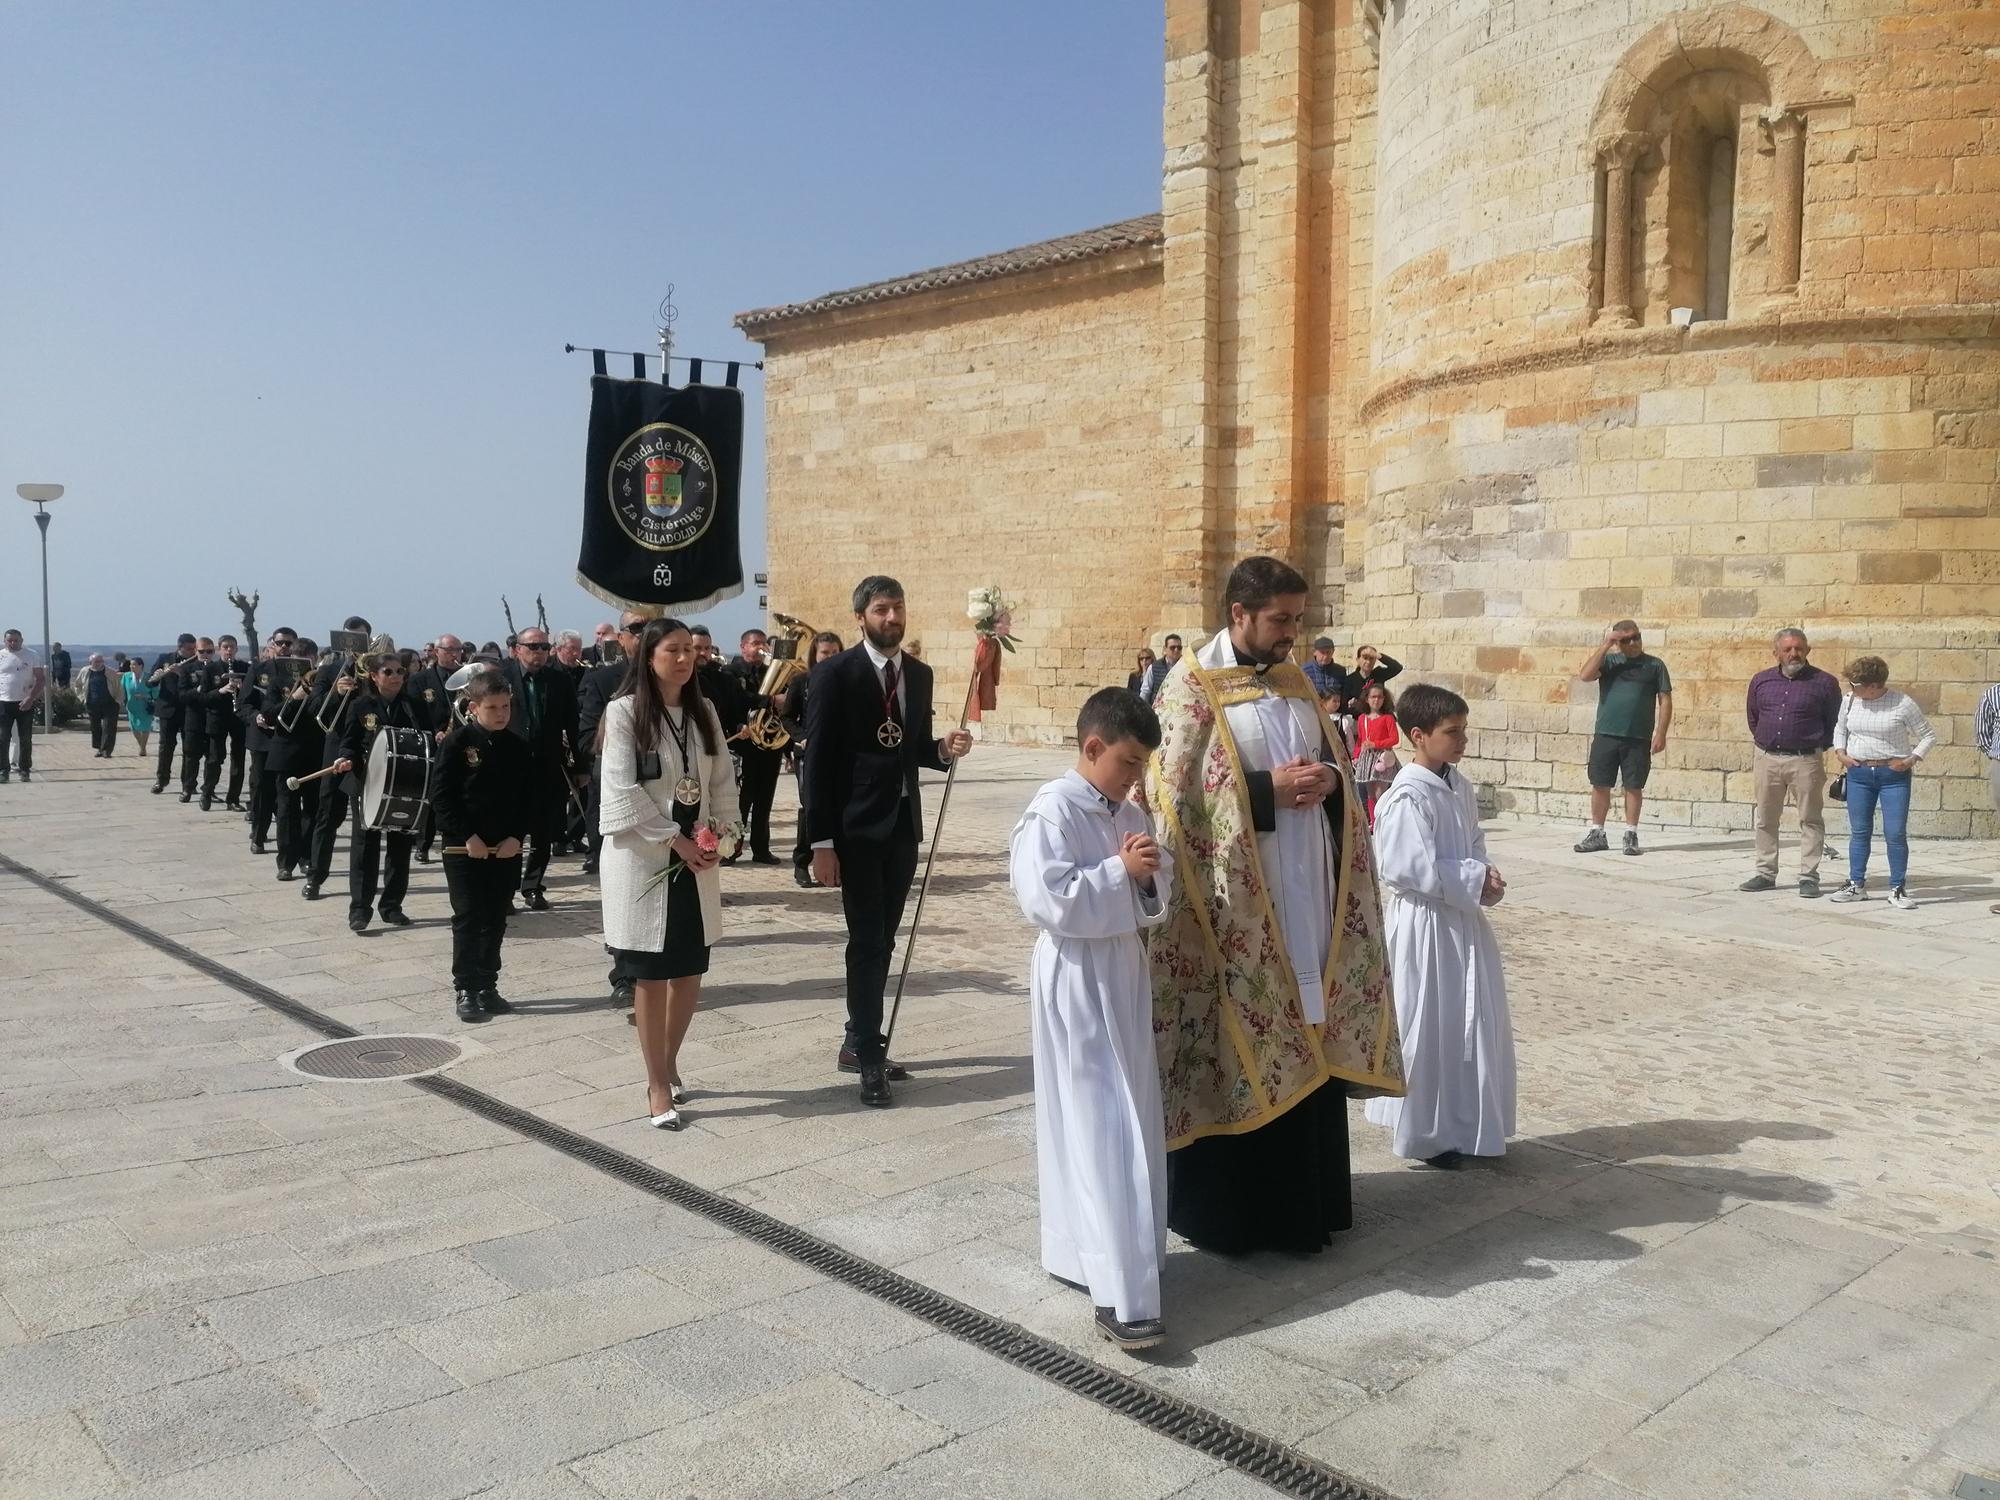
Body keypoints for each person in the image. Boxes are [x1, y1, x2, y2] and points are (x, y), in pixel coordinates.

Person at [1147, 556, 1401, 1255]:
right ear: (1239, 615)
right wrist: (1263, 793)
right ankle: (1236, 1216)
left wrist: (1325, 779)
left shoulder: (1294, 685)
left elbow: (1337, 774)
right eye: (1280, 620)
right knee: (1246, 1033)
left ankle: (1307, 1208)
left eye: (1297, 618)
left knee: (1307, 1020)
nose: (1293, 633)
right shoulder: (1190, 689)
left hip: (1309, 894)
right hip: (1236, 910)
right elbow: (1172, 800)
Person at [1009, 687, 1174, 1351]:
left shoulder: (1126, 807)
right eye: (1128, 762)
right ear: (1093, 747)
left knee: (1129, 1112)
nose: (1135, 777)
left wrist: (1144, 876)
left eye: (1142, 766)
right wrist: (1118, 871)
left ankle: (1110, 1253)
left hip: (1122, 971)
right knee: (1099, 1123)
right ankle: (1117, 1290)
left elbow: (1152, 896)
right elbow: (1046, 899)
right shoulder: (1053, 809)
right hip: (1077, 976)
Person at [804, 576, 975, 1108]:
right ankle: (869, 1055)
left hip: (902, 825)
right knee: (868, 940)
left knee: (885, 936)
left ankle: (859, 1039)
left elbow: (909, 748)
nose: (892, 618)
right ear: (861, 617)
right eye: (881, 609)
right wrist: (821, 842)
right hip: (854, 831)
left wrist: (943, 748)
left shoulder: (917, 675)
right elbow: (819, 762)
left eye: (898, 608)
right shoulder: (835, 674)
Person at [1363, 684, 1515, 1167]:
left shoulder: (1459, 785)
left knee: (1469, 1023)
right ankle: (1426, 1134)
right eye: (1452, 732)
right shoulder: (1406, 796)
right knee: (1429, 1024)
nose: (1462, 740)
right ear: (1418, 735)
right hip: (1425, 928)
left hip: (1462, 922)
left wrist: (1484, 874)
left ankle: (1467, 1123)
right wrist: (1473, 876)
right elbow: (1409, 869)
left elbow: (1472, 840)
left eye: (1464, 730)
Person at [599, 617, 737, 1129]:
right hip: (647, 856)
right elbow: (621, 787)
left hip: (695, 856)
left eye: (688, 650)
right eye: (671, 650)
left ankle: (670, 1057)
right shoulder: (625, 712)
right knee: (651, 973)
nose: (683, 659)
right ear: (648, 655)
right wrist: (673, 839)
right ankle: (656, 1083)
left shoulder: (704, 712)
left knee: (689, 968)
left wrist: (721, 835)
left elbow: (722, 779)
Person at [432, 669, 531, 1022]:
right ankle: (466, 987)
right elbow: (442, 798)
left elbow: (526, 800)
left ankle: (488, 984)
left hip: (505, 847)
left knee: (496, 915)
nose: (502, 713)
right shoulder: (457, 743)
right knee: (469, 915)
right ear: (474, 707)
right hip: (465, 848)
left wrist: (516, 837)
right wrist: (466, 836)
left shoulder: (518, 746)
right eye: (493, 707)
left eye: (506, 706)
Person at [578, 610, 650, 1008]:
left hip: (665, 798)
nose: (642, 635)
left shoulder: (675, 680)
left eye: (648, 628)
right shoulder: (603, 680)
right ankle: (624, 974)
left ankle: (656, 971)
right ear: (620, 638)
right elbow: (588, 736)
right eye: (635, 629)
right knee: (624, 891)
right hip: (619, 796)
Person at [1741, 628, 1843, 899]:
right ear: (1776, 653)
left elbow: (1835, 721)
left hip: (1806, 760)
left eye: (1798, 648)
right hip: (1767, 758)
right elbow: (1754, 717)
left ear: (1807, 650)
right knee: (1765, 818)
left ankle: (1808, 876)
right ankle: (1765, 873)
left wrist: (1816, 745)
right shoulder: (1761, 681)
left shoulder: (1825, 683)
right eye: (1787, 649)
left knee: (1810, 818)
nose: (1793, 654)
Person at [1830, 656, 1934, 911]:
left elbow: (1928, 736)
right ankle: (1856, 884)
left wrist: (1910, 760)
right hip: (1859, 774)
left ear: (1874, 684)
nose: (1852, 688)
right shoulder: (1850, 700)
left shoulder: (1902, 703)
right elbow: (1840, 729)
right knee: (1860, 831)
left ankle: (1897, 887)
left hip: (1893, 776)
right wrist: (1841, 752)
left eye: (1856, 684)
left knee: (1895, 833)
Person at [330, 652, 424, 933]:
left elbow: (427, 739)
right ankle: (360, 909)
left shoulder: (413, 706)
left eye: (400, 671)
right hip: (367, 783)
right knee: (364, 847)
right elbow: (349, 741)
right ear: (374, 675)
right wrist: (345, 758)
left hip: (404, 783)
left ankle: (392, 905)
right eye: (388, 671)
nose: (396, 676)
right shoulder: (361, 705)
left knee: (400, 847)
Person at [1574, 620, 1672, 856]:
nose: (1634, 642)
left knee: (1634, 785)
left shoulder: (1655, 665)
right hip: (1607, 733)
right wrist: (1606, 645)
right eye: (1626, 639)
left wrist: (1661, 733)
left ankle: (1631, 833)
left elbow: (1665, 700)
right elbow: (1585, 675)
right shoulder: (1610, 662)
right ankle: (1597, 833)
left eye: (1636, 637)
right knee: (1600, 783)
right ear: (1619, 642)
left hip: (1638, 736)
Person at [499, 626, 581, 910]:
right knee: (510, 830)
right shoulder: (501, 677)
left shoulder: (560, 680)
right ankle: (505, 890)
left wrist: (579, 766)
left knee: (543, 832)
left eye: (544, 647)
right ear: (517, 648)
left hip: (548, 765)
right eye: (533, 647)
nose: (539, 652)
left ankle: (533, 886)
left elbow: (573, 725)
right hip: (509, 766)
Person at [302, 617, 373, 900]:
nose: (354, 645)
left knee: (365, 820)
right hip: (336, 746)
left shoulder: (375, 670)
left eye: (360, 638)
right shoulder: (329, 669)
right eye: (349, 639)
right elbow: (314, 709)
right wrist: (337, 693)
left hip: (366, 749)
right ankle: (315, 877)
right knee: (327, 815)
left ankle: (363, 883)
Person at [780, 630, 844, 889]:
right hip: (809, 754)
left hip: (840, 754)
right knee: (811, 806)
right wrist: (803, 737)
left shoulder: (849, 679)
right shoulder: (801, 681)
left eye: (834, 652)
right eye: (825, 652)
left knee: (839, 806)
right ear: (815, 655)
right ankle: (801, 862)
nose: (829, 657)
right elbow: (787, 717)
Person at [726, 627, 784, 865]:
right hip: (743, 745)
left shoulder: (772, 672)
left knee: (764, 801)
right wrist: (769, 700)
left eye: (763, 643)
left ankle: (761, 849)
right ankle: (731, 849)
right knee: (740, 801)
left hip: (769, 747)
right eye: (755, 643)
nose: (761, 647)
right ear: (743, 647)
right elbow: (736, 700)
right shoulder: (730, 672)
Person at [240, 628, 299, 857]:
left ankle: (290, 843)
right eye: (280, 643)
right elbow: (244, 703)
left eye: (289, 643)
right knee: (261, 790)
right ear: (272, 644)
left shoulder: (301, 672)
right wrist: (256, 717)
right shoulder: (259, 669)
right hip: (263, 738)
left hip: (288, 739)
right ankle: (258, 835)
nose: (284, 647)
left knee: (286, 792)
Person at [407, 634, 466, 863]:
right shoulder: (420, 679)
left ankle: (457, 839)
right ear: (437, 652)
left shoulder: (466, 677)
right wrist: (434, 733)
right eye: (450, 649)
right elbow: (415, 713)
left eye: (458, 649)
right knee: (432, 796)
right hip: (433, 743)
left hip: (460, 741)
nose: (455, 654)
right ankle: (423, 844)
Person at [267, 637, 321, 882]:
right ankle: (286, 861)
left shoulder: (323, 681)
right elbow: (268, 713)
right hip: (286, 753)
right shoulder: (278, 680)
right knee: (287, 809)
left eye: (308, 661)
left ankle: (307, 857)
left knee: (312, 809)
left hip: (314, 751)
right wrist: (294, 697)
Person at [199, 634, 250, 812]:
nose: (229, 650)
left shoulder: (244, 668)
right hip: (217, 718)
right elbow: (203, 698)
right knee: (215, 758)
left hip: (238, 719)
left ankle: (233, 798)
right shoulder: (210, 669)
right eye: (225, 647)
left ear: (236, 649)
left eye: (232, 647)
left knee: (238, 759)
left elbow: (252, 695)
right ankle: (207, 791)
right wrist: (220, 690)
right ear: (219, 649)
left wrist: (243, 690)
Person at [149, 634, 204, 797]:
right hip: (168, 708)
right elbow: (150, 682)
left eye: (194, 648)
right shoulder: (165, 658)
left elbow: (200, 685)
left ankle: (188, 784)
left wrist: (182, 674)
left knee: (190, 749)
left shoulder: (197, 662)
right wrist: (159, 675)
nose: (192, 652)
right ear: (179, 647)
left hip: (189, 710)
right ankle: (161, 779)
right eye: (188, 649)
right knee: (166, 746)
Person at [1352, 680, 1402, 824]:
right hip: (1367, 758)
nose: (1376, 700)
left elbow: (1394, 739)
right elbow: (1360, 740)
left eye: (1379, 697)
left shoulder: (1388, 718)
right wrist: (1356, 756)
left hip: (1382, 758)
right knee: (1370, 793)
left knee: (1381, 793)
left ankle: (1383, 821)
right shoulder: (1362, 719)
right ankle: (1374, 822)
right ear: (1367, 699)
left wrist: (1376, 743)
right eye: (1373, 697)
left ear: (1384, 699)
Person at [0, 628, 45, 783]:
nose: (13, 643)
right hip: (4, 703)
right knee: (2, 738)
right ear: (4, 641)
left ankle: (24, 770)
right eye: (9, 640)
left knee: (25, 738)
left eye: (16, 640)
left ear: (21, 640)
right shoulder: (1, 656)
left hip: (24, 702)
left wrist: (30, 698)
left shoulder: (32, 655)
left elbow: (40, 679)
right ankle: (3, 771)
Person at [1338, 644, 1402, 716]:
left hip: (1379, 717)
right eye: (1365, 658)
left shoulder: (1379, 674)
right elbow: (1343, 705)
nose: (1368, 662)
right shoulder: (1350, 680)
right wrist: (1352, 704)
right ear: (1358, 660)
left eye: (1371, 658)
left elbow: (1397, 668)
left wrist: (1378, 656)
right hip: (1358, 719)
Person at [81, 653, 121, 758]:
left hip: (110, 704)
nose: (99, 664)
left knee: (109, 728)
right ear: (90, 663)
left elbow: (119, 687)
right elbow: (78, 685)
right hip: (92, 704)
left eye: (101, 661)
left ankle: (107, 751)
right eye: (96, 662)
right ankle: (99, 748)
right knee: (95, 727)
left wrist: (118, 701)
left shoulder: (110, 672)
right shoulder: (85, 672)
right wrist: (82, 698)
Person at [121, 655, 156, 759]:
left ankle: (143, 747)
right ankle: (141, 744)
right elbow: (122, 689)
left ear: (141, 666)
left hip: (145, 705)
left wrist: (144, 696)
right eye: (131, 665)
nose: (132, 667)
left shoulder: (149, 677)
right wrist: (123, 700)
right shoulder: (126, 676)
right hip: (132, 705)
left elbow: (155, 692)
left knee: (145, 727)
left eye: (134, 665)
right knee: (134, 727)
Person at [1302, 637, 1344, 715]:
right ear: (1314, 652)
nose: (1325, 656)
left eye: (1328, 652)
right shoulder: (1304, 671)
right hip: (1313, 714)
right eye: (1322, 653)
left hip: (1334, 715)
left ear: (1333, 652)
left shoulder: (1340, 671)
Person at [1140, 635, 1182, 702]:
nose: (1176, 650)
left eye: (1179, 648)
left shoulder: (1185, 666)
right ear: (1165, 649)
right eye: (1172, 647)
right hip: (1158, 710)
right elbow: (1145, 692)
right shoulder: (1154, 667)